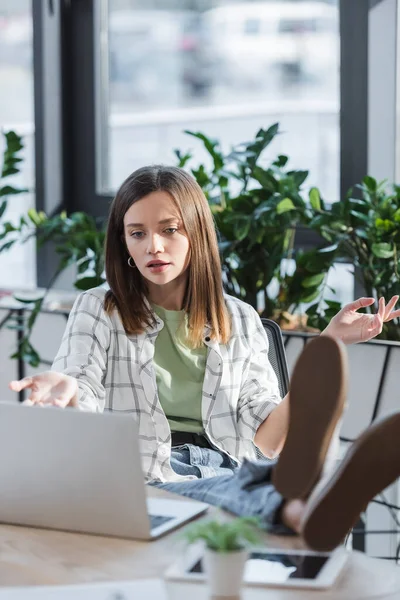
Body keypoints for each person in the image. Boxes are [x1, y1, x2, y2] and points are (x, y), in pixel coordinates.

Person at [9, 165, 400, 551]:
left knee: (253, 477)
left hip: (227, 464)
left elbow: (265, 436)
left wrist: (326, 346)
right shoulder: (98, 308)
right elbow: (83, 384)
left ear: (196, 231)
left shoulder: (240, 319)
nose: (153, 247)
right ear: (123, 242)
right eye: (137, 234)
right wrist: (70, 389)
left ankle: (306, 497)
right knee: (251, 488)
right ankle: (310, 504)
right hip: (147, 474)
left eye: (169, 229)